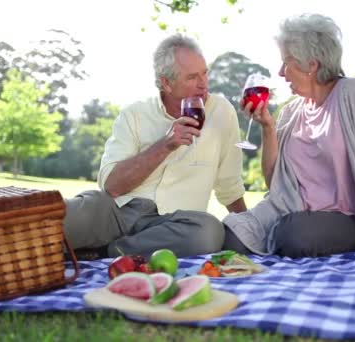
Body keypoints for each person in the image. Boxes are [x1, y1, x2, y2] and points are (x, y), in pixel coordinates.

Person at [222, 13, 355, 258]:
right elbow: (275, 183)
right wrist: (268, 128)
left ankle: (278, 240)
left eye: (287, 62)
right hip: (290, 212)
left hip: (346, 218)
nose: (281, 72)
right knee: (233, 234)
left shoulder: (354, 95)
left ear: (311, 65)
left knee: (293, 234)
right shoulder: (290, 112)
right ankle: (274, 238)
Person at [63, 34, 247, 259]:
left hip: (174, 224)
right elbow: (112, 186)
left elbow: (229, 185)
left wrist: (249, 237)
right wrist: (165, 145)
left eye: (204, 73)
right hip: (118, 212)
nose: (203, 84)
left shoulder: (221, 112)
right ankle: (75, 245)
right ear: (166, 83)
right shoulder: (134, 115)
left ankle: (105, 251)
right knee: (61, 215)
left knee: (209, 232)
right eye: (191, 77)